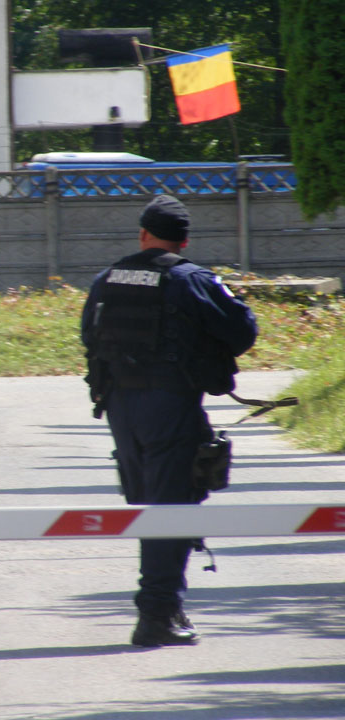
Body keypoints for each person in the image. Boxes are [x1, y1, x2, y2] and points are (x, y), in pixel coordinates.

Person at [80, 194, 258, 647]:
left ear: (142, 235)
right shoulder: (193, 279)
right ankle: (157, 614)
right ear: (184, 240)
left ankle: (161, 607)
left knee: (149, 504)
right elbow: (242, 330)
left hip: (121, 407)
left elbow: (89, 335)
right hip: (170, 406)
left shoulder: (106, 278)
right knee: (171, 505)